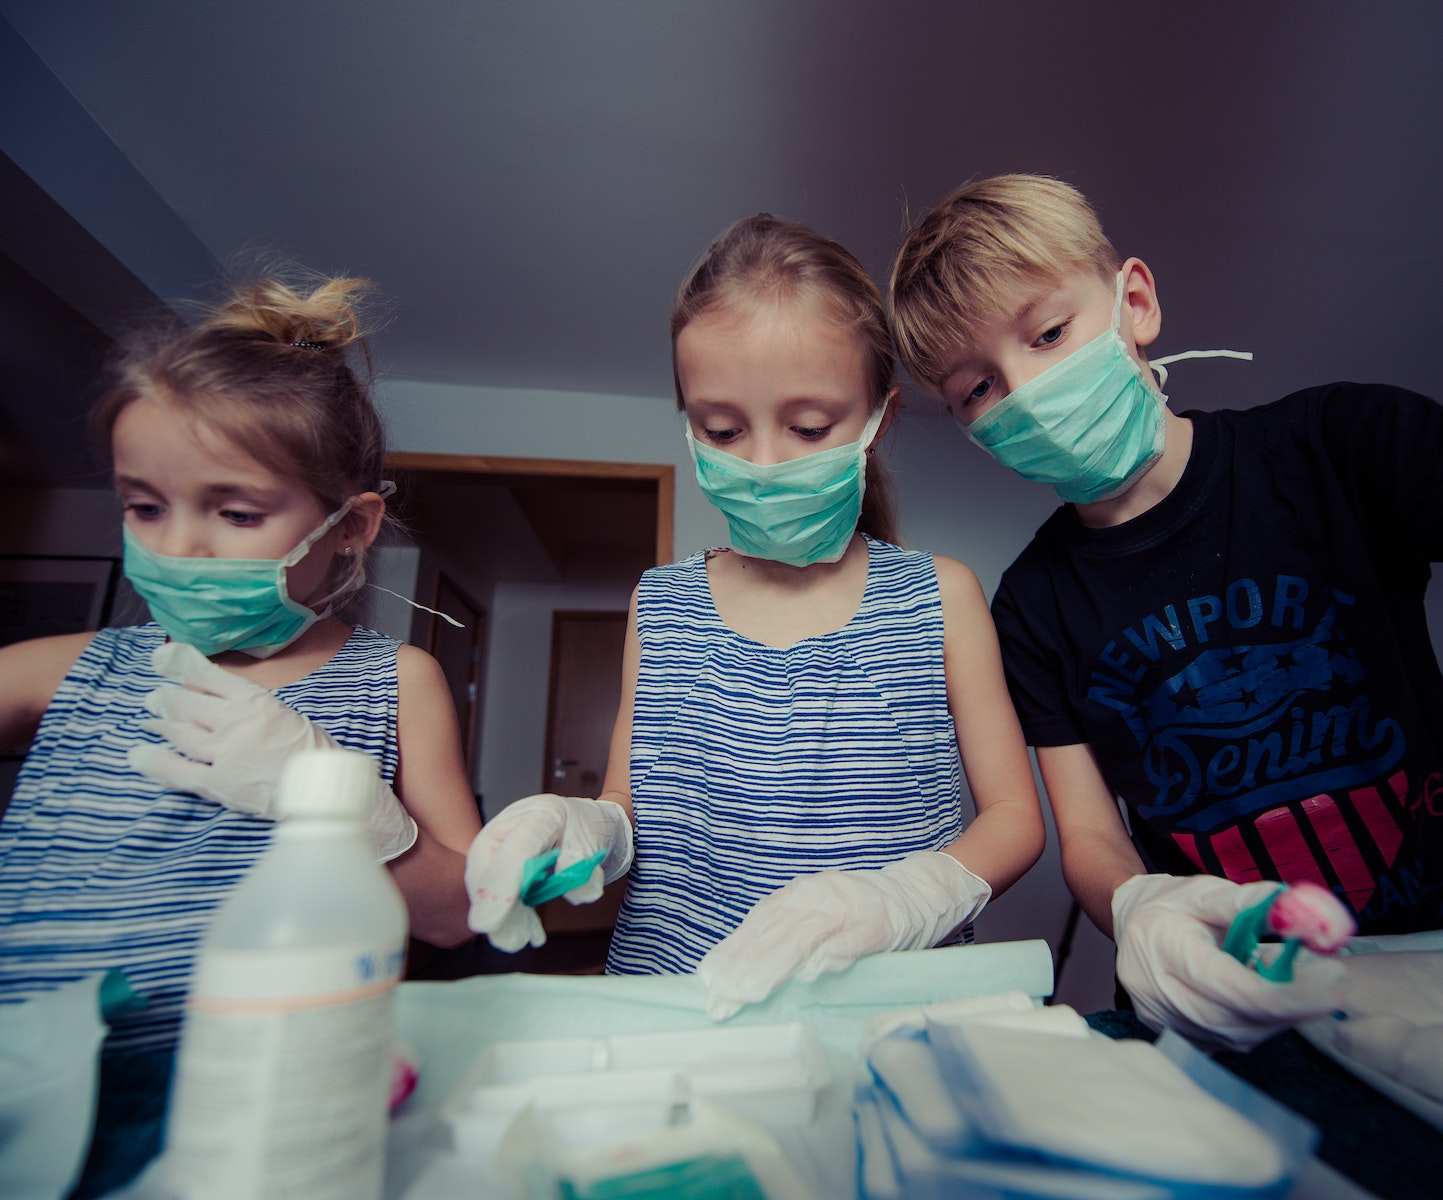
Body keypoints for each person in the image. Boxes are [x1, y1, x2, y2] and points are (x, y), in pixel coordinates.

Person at [888, 173, 1443, 1050]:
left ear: (1135, 302)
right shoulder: (1031, 606)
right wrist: (1137, 907)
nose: (1026, 389)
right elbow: (1088, 832)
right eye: (979, 388)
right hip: (1216, 994)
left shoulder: (1341, 446)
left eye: (1049, 333)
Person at [466, 214, 1045, 1020]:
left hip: (884, 1011)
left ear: (877, 420)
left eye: (808, 427)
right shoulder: (660, 604)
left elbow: (1014, 818)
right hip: (678, 1008)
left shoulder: (939, 597)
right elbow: (627, 801)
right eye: (723, 430)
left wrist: (910, 896)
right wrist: (583, 826)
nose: (764, 463)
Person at [0, 273, 481, 1059]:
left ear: (351, 527)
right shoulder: (64, 670)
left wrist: (357, 819)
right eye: (145, 506)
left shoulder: (396, 681)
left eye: (235, 512)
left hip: (264, 1085)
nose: (177, 547)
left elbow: (460, 916)